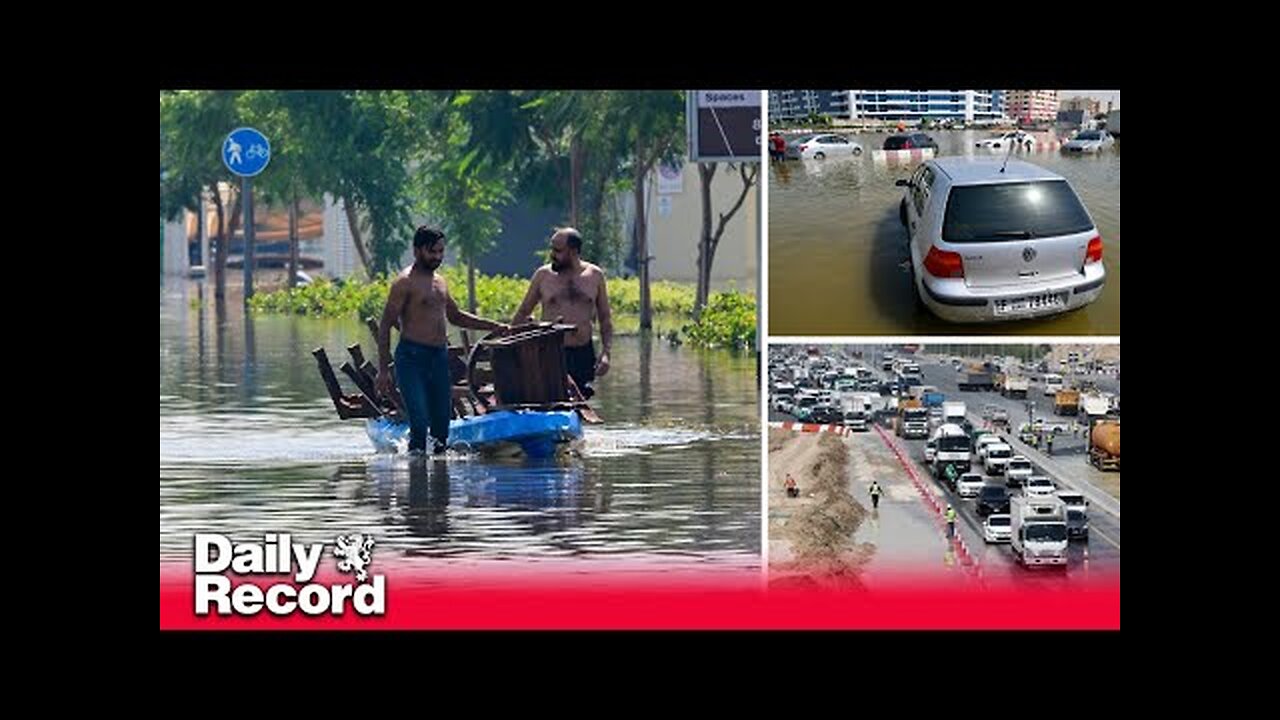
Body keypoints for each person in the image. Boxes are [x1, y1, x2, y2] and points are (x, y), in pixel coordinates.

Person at [376, 226, 509, 455]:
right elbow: (385, 324)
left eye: (440, 252)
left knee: (441, 427)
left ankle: (438, 481)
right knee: (419, 423)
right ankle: (415, 480)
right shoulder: (404, 282)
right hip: (411, 358)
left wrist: (492, 325)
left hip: (438, 358)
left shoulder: (440, 282)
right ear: (417, 251)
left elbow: (456, 316)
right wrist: (383, 370)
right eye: (432, 252)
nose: (437, 257)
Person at [512, 228, 613, 400]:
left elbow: (605, 318)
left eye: (557, 251)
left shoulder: (595, 276)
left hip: (582, 352)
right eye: (551, 249)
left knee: (579, 400)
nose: (552, 254)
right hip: (550, 353)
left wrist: (606, 354)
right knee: (551, 399)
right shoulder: (543, 276)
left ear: (573, 251)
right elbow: (522, 313)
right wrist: (513, 347)